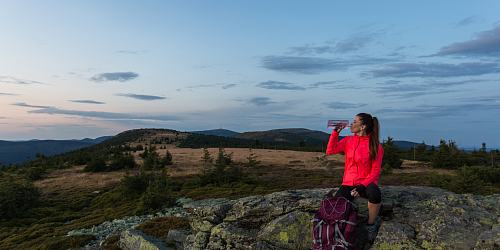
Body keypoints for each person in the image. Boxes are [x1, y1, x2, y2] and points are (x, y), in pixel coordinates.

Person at [326, 113, 383, 243]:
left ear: (362, 126)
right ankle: (342, 233)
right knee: (338, 204)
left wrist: (362, 186)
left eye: (354, 122)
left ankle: (371, 225)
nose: (351, 124)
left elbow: (376, 170)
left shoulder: (374, 145)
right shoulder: (348, 141)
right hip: (348, 182)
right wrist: (335, 132)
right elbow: (330, 150)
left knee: (375, 193)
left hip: (366, 182)